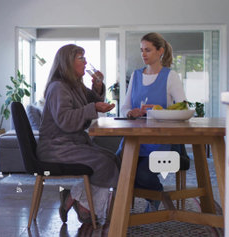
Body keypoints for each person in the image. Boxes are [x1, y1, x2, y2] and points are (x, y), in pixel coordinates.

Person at [36, 44, 120, 225]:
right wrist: (93, 108)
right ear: (67, 63)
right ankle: (85, 207)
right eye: (81, 58)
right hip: (57, 147)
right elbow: (66, 120)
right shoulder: (58, 87)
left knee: (112, 159)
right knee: (104, 162)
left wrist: (97, 86)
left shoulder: (74, 86)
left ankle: (76, 198)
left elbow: (93, 101)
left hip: (69, 144)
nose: (86, 62)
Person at [118, 32, 187, 211]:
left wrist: (159, 110)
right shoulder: (135, 75)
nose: (143, 54)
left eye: (148, 50)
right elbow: (124, 108)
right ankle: (135, 203)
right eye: (141, 50)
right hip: (134, 140)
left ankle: (156, 194)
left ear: (160, 51)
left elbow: (183, 110)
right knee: (118, 168)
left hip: (162, 143)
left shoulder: (170, 76)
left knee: (142, 173)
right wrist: (130, 112)